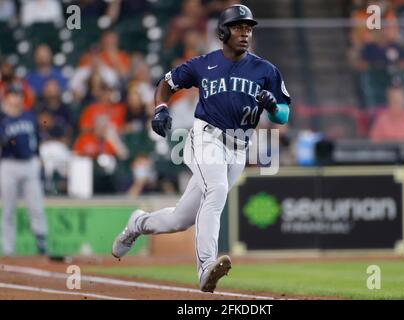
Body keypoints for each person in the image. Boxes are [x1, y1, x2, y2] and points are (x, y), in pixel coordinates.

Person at [112, 5, 291, 293]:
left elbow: (283, 116)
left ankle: (137, 223)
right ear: (222, 31)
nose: (245, 32)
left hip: (239, 148)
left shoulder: (265, 70)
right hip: (206, 137)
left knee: (180, 219)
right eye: (238, 27)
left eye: (248, 28)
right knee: (217, 189)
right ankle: (205, 266)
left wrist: (273, 106)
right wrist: (160, 108)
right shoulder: (204, 64)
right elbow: (166, 84)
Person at [0, 84, 48, 256]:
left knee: (36, 206)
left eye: (19, 95)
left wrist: (38, 157)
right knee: (8, 209)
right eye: (13, 94)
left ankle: (42, 243)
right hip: (8, 164)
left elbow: (36, 140)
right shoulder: (2, 118)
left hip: (29, 164)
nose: (16, 98)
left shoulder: (29, 116)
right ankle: (8, 249)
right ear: (7, 97)